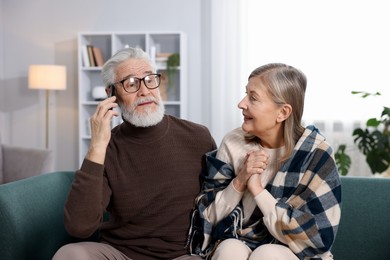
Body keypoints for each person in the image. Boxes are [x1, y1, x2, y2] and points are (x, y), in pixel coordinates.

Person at [53, 47, 216, 260]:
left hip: (182, 255)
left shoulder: (198, 136)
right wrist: (97, 146)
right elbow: (79, 227)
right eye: (131, 84)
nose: (145, 91)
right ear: (111, 94)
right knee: (70, 254)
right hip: (121, 253)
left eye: (150, 79)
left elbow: (220, 200)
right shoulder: (106, 148)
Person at [187, 63, 341, 260]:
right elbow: (207, 217)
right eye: (245, 94)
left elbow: (319, 237)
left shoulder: (316, 154)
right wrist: (240, 181)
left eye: (253, 98)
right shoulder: (233, 142)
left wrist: (258, 191)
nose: (241, 103)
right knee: (230, 249)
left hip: (297, 254)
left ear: (283, 113)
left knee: (267, 254)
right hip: (238, 240)